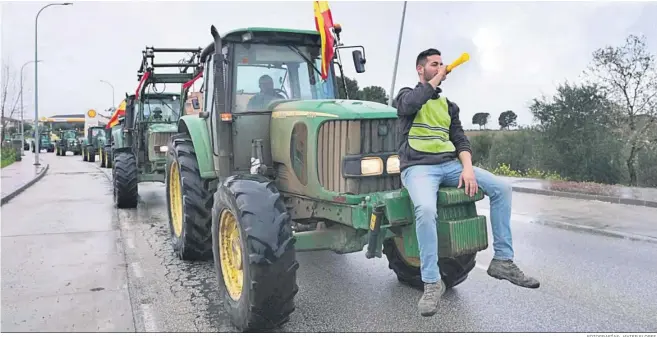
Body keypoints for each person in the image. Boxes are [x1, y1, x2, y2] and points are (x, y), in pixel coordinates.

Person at [392, 48, 540, 317]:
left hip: (450, 165)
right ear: (420, 69)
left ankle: (503, 261)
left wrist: (468, 169)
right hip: (418, 168)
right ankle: (432, 282)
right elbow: (411, 104)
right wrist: (436, 79)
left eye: (442, 64)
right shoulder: (405, 96)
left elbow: (460, 141)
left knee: (501, 188)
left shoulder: (449, 106)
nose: (440, 68)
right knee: (425, 210)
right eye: (434, 64)